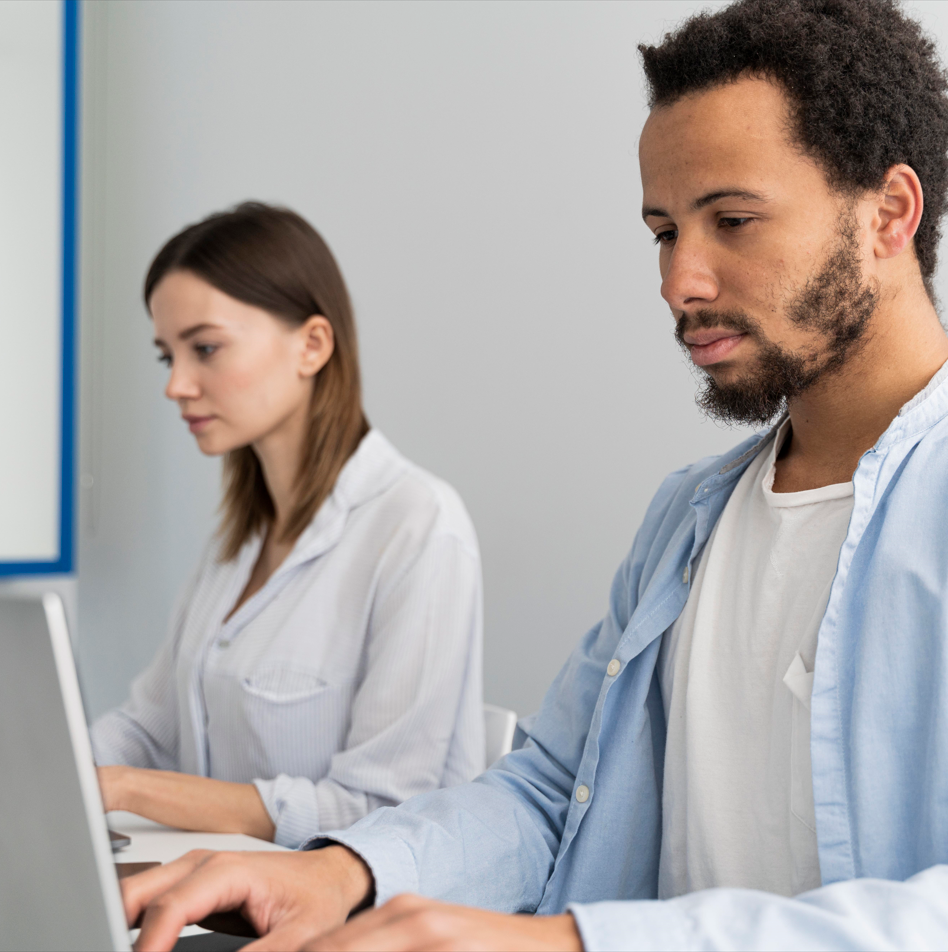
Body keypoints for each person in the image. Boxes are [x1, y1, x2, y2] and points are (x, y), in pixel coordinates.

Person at [124, 0, 948, 948]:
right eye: (663, 231)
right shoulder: (691, 518)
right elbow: (555, 787)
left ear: (889, 213)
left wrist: (569, 941)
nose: (682, 280)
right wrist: (344, 871)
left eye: (731, 220)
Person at [91, 203, 485, 850]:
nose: (177, 385)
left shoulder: (418, 527)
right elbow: (149, 728)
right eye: (168, 357)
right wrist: (55, 768)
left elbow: (380, 807)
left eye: (206, 349)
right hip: (215, 891)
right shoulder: (238, 539)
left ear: (312, 345)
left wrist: (129, 788)